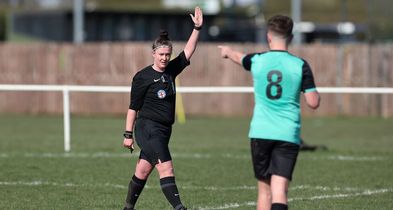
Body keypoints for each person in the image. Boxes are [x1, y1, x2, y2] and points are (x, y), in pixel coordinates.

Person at [218, 15, 320, 210]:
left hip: (261, 132)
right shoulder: (300, 65)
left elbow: (240, 58)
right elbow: (313, 102)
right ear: (290, 37)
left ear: (268, 37)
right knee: (280, 191)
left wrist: (228, 52)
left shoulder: (258, 61)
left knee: (264, 191)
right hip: (287, 133)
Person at [122, 7, 203, 210]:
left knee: (142, 171)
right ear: (153, 53)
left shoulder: (171, 71)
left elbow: (188, 51)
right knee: (166, 168)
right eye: (161, 54)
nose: (165, 58)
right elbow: (133, 107)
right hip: (148, 129)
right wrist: (127, 134)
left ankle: (127, 208)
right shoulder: (142, 77)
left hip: (164, 130)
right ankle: (180, 207)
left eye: (167, 54)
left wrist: (197, 28)